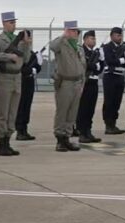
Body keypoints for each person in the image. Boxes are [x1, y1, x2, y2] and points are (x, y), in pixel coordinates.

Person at [0, 11, 32, 156]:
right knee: (3, 113)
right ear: (4, 23)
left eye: (14, 22)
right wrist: (8, 56)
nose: (14, 25)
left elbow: (25, 59)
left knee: (12, 113)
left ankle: (8, 140)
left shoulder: (17, 40)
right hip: (4, 78)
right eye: (11, 22)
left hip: (16, 78)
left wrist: (26, 45)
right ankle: (1, 143)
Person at [49, 21, 86, 152]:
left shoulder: (78, 47)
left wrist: (82, 83)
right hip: (65, 82)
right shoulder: (62, 45)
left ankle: (67, 137)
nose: (76, 33)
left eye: (77, 31)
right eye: (73, 31)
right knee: (62, 111)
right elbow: (52, 46)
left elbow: (83, 67)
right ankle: (59, 139)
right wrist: (64, 35)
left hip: (77, 83)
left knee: (72, 113)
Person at [75, 30, 102, 143]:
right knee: (83, 109)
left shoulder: (96, 53)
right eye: (91, 38)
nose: (93, 40)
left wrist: (95, 66)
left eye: (94, 39)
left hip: (94, 82)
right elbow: (84, 65)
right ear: (85, 40)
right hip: (84, 83)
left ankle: (88, 131)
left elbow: (100, 67)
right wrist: (94, 65)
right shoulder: (81, 51)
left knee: (91, 109)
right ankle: (82, 132)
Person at [100, 27, 125, 135]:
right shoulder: (106, 47)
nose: (119, 37)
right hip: (110, 76)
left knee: (117, 101)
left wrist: (120, 61)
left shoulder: (124, 48)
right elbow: (110, 61)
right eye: (117, 35)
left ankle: (113, 123)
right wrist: (121, 60)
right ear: (111, 36)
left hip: (120, 76)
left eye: (120, 35)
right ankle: (108, 124)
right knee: (109, 101)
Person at [16, 34, 43, 141]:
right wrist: (30, 70)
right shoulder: (19, 52)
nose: (30, 40)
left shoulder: (31, 53)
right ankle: (19, 130)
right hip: (22, 80)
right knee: (21, 105)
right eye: (28, 38)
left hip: (30, 81)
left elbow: (36, 68)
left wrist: (38, 64)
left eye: (31, 38)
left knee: (27, 105)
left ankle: (24, 129)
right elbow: (21, 67)